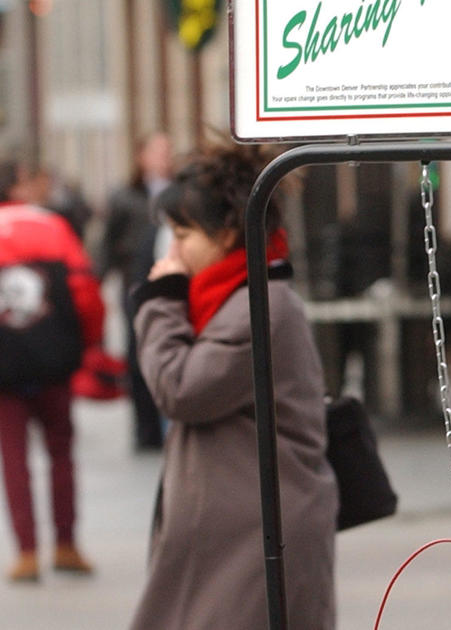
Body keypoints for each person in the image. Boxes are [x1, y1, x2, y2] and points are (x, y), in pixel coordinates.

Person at [127, 137, 336, 629]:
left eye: (184, 234)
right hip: (233, 528)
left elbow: (181, 389)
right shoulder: (234, 297)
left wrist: (160, 302)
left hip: (253, 535)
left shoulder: (260, 305)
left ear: (225, 235)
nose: (174, 251)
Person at [0, 159, 105, 582]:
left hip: (1, 368)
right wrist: (85, 344)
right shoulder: (53, 227)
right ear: (17, 185)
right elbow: (85, 291)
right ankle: (66, 543)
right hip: (54, 361)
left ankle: (27, 551)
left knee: (13, 457)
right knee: (62, 452)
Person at [101, 131, 174, 451]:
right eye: (157, 151)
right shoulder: (125, 196)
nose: (164, 158)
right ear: (141, 156)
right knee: (137, 353)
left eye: (167, 151)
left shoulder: (179, 193)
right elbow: (107, 242)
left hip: (169, 279)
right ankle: (145, 429)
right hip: (135, 282)